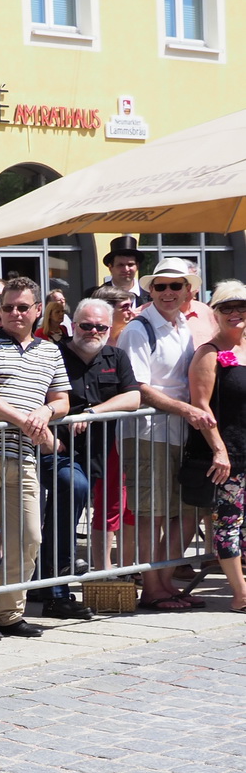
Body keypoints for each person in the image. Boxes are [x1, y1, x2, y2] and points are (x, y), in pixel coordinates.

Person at [0, 277, 71, 640]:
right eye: (8, 307)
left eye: (23, 307)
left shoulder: (50, 351)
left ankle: (9, 612)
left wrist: (45, 411)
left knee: (28, 537)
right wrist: (25, 419)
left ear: (38, 310)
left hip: (22, 455)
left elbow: (63, 400)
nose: (15, 313)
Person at [119, 260, 214, 610]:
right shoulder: (138, 329)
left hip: (180, 433)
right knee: (152, 513)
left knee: (186, 511)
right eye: (161, 286)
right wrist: (186, 409)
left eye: (176, 286)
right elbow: (138, 387)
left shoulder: (181, 327)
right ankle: (152, 587)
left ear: (189, 290)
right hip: (148, 432)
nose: (168, 293)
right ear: (150, 290)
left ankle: (165, 581)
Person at [36, 298, 141, 612]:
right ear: (72, 325)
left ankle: (44, 582)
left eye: (100, 326)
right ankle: (55, 589)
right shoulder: (53, 354)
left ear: (109, 329)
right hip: (54, 449)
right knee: (72, 491)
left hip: (96, 453)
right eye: (86, 325)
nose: (93, 331)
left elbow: (133, 396)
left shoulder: (116, 355)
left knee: (66, 510)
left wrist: (94, 412)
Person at [187, 281, 246, 614]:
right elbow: (201, 406)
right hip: (229, 454)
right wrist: (219, 450)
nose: (235, 313)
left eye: (241, 307)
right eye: (227, 308)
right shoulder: (208, 353)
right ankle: (240, 595)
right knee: (228, 524)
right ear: (216, 312)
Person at [97, 236, 150, 309]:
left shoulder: (150, 294)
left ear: (137, 266)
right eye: (120, 265)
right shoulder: (98, 297)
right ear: (110, 268)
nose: (126, 269)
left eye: (130, 265)